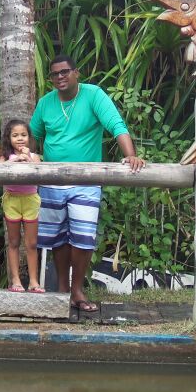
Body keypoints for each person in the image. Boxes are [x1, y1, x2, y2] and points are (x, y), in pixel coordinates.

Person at [29, 54, 145, 313]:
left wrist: (130, 155)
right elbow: (33, 135)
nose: (60, 77)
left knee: (83, 238)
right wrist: (33, 160)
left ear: (76, 72)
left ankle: (77, 289)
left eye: (64, 72)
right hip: (52, 179)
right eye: (55, 74)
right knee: (58, 238)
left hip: (86, 179)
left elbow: (116, 126)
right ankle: (62, 290)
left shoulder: (93, 95)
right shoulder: (46, 103)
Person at [0, 119, 43, 293]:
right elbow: (0, 170)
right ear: (8, 138)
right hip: (12, 200)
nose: (19, 139)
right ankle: (16, 280)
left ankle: (33, 281)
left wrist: (28, 158)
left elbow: (39, 169)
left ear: (29, 138)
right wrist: (15, 160)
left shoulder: (34, 156)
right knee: (14, 242)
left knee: (31, 243)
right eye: (15, 135)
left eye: (23, 135)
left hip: (31, 199)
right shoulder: (6, 157)